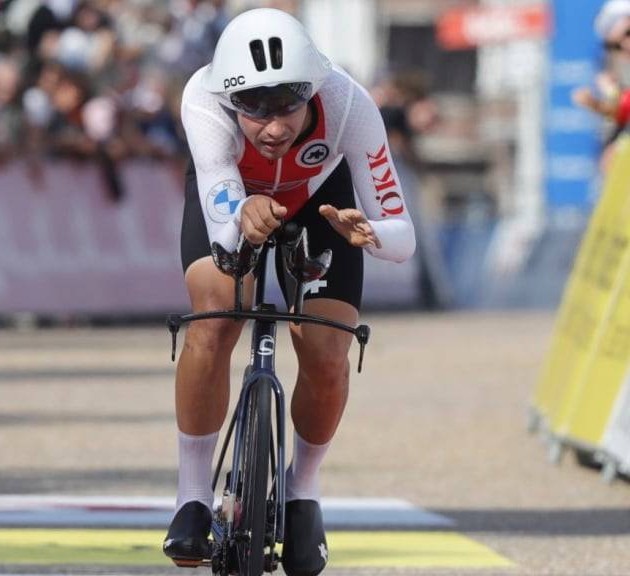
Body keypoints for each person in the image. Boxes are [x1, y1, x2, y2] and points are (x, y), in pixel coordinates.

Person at [163, 8, 415, 576]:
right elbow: (223, 211)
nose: (273, 126)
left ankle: (304, 491)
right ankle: (192, 495)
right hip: (233, 200)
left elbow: (402, 237)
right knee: (215, 318)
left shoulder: (349, 102)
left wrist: (371, 234)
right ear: (231, 101)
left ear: (314, 89)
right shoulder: (202, 98)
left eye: (289, 104)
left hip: (325, 205)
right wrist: (242, 215)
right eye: (253, 107)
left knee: (328, 353)